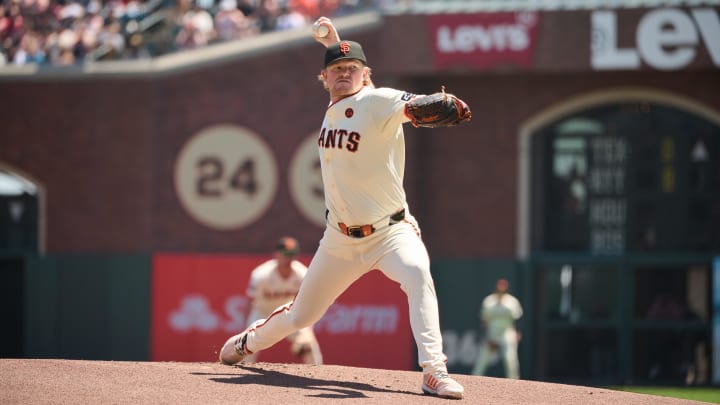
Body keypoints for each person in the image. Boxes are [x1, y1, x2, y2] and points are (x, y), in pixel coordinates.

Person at [219, 16, 471, 399]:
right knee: (303, 316)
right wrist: (334, 42)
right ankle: (248, 342)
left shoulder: (378, 100)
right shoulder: (337, 106)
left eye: (352, 69)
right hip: (339, 238)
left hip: (390, 232)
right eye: (336, 69)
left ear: (365, 75)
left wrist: (422, 103)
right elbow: (342, 74)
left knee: (418, 274)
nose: (344, 74)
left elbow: (407, 104)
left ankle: (434, 371)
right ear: (324, 78)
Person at [243, 236, 323, 365]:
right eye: (285, 254)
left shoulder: (303, 274)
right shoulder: (261, 274)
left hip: (289, 315)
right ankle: (237, 372)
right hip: (263, 314)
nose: (288, 259)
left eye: (291, 255)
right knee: (246, 345)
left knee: (308, 344)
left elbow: (309, 306)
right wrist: (245, 327)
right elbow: (250, 301)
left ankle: (317, 373)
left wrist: (307, 332)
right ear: (276, 254)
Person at [471, 278, 523, 379]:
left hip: (507, 333)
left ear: (506, 288)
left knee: (510, 360)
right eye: (500, 286)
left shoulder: (512, 301)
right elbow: (484, 321)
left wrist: (518, 332)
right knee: (481, 361)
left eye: (503, 286)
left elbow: (518, 318)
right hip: (492, 333)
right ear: (496, 287)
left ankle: (515, 385)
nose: (501, 288)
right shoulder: (489, 301)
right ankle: (474, 381)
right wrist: (486, 337)